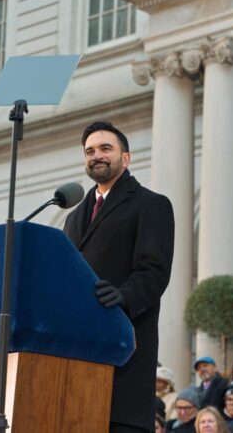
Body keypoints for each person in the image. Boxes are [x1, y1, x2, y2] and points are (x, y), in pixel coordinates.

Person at [63, 121, 175, 433]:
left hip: (124, 351)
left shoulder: (150, 204)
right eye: (89, 151)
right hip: (78, 361)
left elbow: (154, 270)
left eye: (105, 148)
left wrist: (124, 296)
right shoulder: (73, 217)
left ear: (125, 158)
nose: (96, 155)